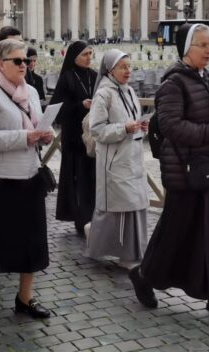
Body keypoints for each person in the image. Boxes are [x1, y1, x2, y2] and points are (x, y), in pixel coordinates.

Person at [128, 23, 209, 317]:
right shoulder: (173, 83)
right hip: (186, 172)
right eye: (203, 45)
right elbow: (170, 125)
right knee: (176, 233)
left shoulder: (207, 77)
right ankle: (143, 275)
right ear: (187, 49)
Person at [0, 39, 54, 318]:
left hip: (27, 175)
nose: (24, 66)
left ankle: (24, 298)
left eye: (26, 61)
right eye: (18, 61)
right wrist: (25, 137)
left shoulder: (29, 90)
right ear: (1, 64)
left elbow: (36, 125)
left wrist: (44, 134)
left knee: (31, 243)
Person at [85, 50, 149, 267]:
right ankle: (120, 252)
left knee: (133, 204)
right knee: (118, 207)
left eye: (130, 66)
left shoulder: (130, 91)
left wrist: (141, 127)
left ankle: (129, 252)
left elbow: (133, 120)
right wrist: (124, 128)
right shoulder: (104, 94)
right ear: (110, 70)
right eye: (123, 67)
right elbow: (97, 130)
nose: (128, 71)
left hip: (132, 156)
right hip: (113, 159)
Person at [50, 40, 98, 236]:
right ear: (74, 57)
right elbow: (57, 111)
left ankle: (94, 218)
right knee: (78, 180)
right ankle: (81, 219)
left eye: (90, 54)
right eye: (85, 54)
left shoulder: (95, 76)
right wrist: (80, 105)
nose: (89, 58)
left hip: (93, 138)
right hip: (74, 139)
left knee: (93, 180)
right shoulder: (67, 78)